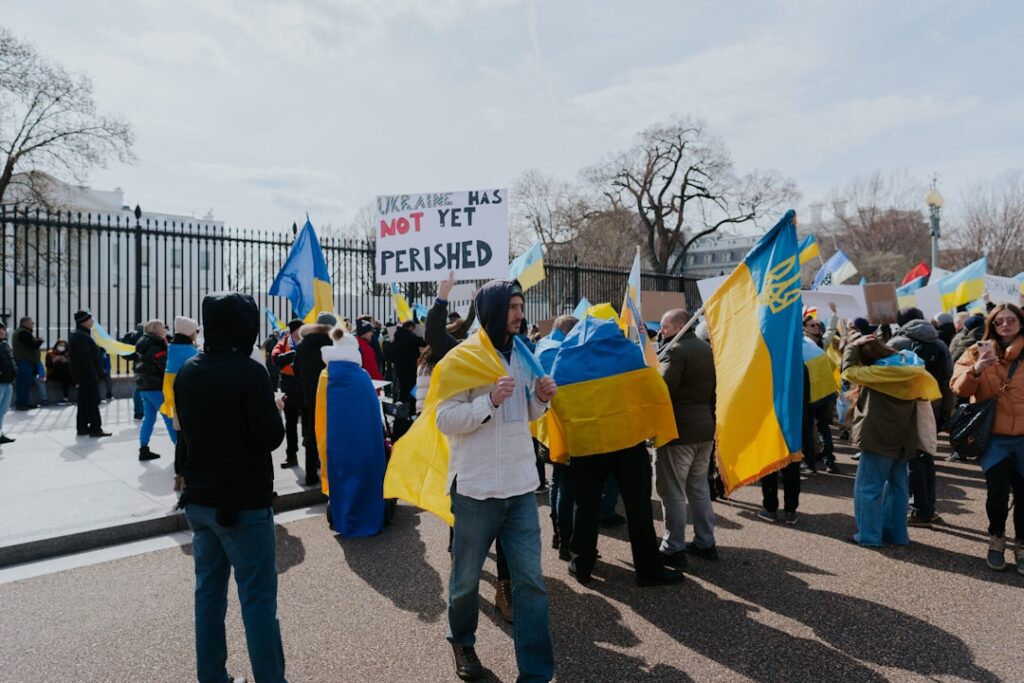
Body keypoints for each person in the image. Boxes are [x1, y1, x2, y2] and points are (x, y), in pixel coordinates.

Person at [437, 279, 556, 682]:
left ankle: (535, 672)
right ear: (492, 310)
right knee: (466, 580)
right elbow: (444, 419)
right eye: (512, 307)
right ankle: (462, 641)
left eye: (521, 306)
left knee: (531, 583)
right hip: (476, 488)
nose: (520, 314)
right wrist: (487, 401)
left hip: (521, 486)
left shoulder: (525, 354)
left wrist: (540, 399)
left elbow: (526, 416)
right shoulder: (462, 357)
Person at [174, 291, 287, 683]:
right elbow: (270, 437)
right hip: (243, 501)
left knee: (208, 595)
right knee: (257, 600)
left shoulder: (189, 369)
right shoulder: (249, 371)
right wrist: (275, 407)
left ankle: (212, 676)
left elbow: (186, 431)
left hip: (199, 497)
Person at [843, 333, 938, 547]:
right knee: (898, 486)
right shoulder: (909, 364)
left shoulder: (877, 372)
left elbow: (848, 372)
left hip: (878, 436)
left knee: (868, 487)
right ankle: (897, 534)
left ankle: (868, 536)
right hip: (905, 436)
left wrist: (852, 347)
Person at [950, 303, 1024, 572]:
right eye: (999, 321)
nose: (1005, 324)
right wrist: (976, 370)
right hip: (993, 437)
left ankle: (1022, 545)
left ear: (1020, 322)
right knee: (997, 494)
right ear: (991, 325)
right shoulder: (975, 351)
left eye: (1011, 320)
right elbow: (958, 388)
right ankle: (996, 538)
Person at [655, 308, 718, 566]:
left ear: (680, 326)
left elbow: (661, 390)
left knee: (672, 491)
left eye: (665, 327)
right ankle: (706, 541)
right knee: (699, 488)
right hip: (704, 428)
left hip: (679, 431)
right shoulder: (707, 349)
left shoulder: (676, 351)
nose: (661, 332)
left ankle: (673, 546)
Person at [890, 307, 953, 528]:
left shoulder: (896, 343)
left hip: (904, 407)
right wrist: (946, 410)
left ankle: (920, 510)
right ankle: (928, 508)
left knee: (912, 458)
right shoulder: (940, 344)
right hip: (933, 405)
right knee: (926, 456)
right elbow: (947, 380)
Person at [760, 368, 816, 524]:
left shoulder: (768, 363)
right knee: (792, 469)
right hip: (793, 422)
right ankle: (790, 511)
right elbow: (806, 397)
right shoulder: (800, 365)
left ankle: (770, 508)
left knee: (770, 468)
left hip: (770, 420)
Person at [295, 312, 337, 486]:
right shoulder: (332, 344)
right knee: (331, 433)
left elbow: (296, 370)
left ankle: (311, 474)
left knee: (311, 431)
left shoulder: (302, 345)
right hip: (329, 394)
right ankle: (330, 472)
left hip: (308, 395)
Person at [135, 319, 176, 461]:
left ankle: (143, 448)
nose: (165, 330)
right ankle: (179, 448)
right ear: (157, 330)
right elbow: (164, 365)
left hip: (144, 386)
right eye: (163, 327)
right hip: (156, 386)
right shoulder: (156, 345)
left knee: (149, 418)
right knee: (169, 417)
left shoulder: (143, 343)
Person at [68, 310, 110, 437]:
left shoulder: (79, 334)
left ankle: (82, 427)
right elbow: (85, 358)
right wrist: (94, 374)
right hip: (87, 376)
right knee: (92, 401)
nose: (92, 322)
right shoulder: (81, 336)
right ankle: (95, 428)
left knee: (84, 402)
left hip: (83, 375)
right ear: (84, 321)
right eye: (90, 319)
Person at [271, 319, 305, 469]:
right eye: (300, 329)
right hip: (290, 385)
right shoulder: (284, 342)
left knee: (309, 422)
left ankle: (314, 457)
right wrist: (295, 353)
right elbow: (276, 359)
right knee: (290, 423)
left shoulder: (308, 342)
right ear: (294, 330)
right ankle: (291, 456)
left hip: (305, 385)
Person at [387, 319, 425, 402]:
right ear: (411, 327)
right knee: (413, 388)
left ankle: (401, 405)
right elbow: (423, 342)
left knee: (403, 389)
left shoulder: (396, 336)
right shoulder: (411, 336)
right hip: (411, 367)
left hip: (400, 367)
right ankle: (412, 406)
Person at [11, 316, 44, 410]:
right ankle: (21, 403)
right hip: (24, 362)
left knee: (25, 383)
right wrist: (40, 341)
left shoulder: (23, 332)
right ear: (25, 323)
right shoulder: (23, 333)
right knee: (22, 383)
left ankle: (24, 402)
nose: (33, 325)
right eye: (31, 323)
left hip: (26, 362)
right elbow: (31, 345)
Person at [0, 322, 16, 443]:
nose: (2, 331)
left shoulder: (5, 344)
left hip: (8, 382)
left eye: (3, 329)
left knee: (3, 410)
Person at [45, 339, 73, 403]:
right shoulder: (50, 353)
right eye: (60, 345)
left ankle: (65, 397)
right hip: (53, 373)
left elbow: (72, 365)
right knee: (61, 366)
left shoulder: (68, 354)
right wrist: (54, 360)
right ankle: (74, 384)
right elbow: (47, 365)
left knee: (64, 368)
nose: (61, 347)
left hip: (65, 374)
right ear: (56, 345)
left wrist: (66, 361)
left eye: (63, 346)